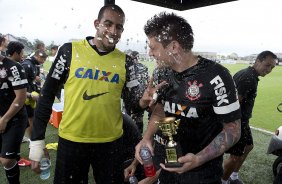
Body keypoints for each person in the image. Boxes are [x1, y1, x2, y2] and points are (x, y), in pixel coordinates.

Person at [28, 4, 154, 184]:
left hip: (110, 145)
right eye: (108, 24)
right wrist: (37, 143)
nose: (113, 31)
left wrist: (142, 101)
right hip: (72, 141)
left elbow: (132, 105)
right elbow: (46, 97)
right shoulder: (69, 51)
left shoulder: (126, 61)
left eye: (119, 27)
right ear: (97, 24)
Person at [135, 12, 242, 184]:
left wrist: (198, 159)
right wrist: (147, 137)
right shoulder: (162, 72)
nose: (150, 53)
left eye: (153, 47)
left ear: (174, 47)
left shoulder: (216, 76)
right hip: (167, 166)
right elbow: (161, 111)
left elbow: (233, 130)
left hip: (201, 174)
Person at [222, 51, 277, 184]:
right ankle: (222, 181)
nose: (269, 70)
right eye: (267, 65)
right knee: (235, 156)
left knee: (248, 146)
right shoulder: (248, 78)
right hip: (236, 121)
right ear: (258, 61)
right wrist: (232, 127)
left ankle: (233, 176)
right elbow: (234, 103)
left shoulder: (248, 74)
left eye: (272, 67)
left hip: (242, 121)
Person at [0, 45, 28, 183]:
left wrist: (4, 119)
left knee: (6, 160)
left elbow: (21, 97)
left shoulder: (13, 67)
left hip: (15, 118)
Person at [6, 41, 32, 167]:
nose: (23, 54)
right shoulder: (15, 67)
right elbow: (18, 93)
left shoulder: (11, 66)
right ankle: (16, 156)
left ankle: (15, 155)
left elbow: (18, 92)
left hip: (12, 111)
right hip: (11, 112)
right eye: (21, 52)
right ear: (16, 53)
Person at [21, 50, 48, 139]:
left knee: (32, 117)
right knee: (30, 118)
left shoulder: (34, 64)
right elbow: (19, 85)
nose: (43, 62)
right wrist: (28, 94)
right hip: (26, 96)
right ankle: (32, 140)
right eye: (43, 59)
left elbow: (32, 78)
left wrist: (36, 78)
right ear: (37, 56)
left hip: (32, 93)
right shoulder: (26, 65)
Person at [123, 51, 149, 133]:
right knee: (138, 120)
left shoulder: (127, 67)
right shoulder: (144, 67)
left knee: (126, 120)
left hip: (129, 99)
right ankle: (138, 137)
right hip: (140, 99)